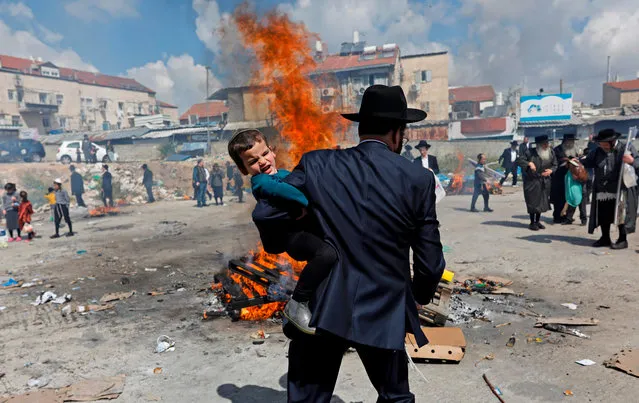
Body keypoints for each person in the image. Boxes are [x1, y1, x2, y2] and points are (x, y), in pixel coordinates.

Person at [284, 85, 445, 402]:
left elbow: (272, 208)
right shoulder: (418, 179)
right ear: (398, 132)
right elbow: (430, 262)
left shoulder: (317, 164)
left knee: (307, 398)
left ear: (361, 128)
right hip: (384, 306)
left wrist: (301, 243)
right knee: (395, 396)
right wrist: (419, 297)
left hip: (324, 304)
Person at [228, 129, 339, 334]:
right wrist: (307, 202)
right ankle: (297, 302)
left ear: (273, 151)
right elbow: (283, 191)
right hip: (293, 238)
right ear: (244, 170)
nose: (261, 161)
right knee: (327, 254)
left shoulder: (284, 175)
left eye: (264, 154)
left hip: (303, 234)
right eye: (252, 161)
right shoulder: (260, 182)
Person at [582, 129, 639, 249]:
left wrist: (632, 161)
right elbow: (588, 161)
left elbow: (637, 162)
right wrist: (578, 161)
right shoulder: (597, 151)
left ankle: (623, 240)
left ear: (612, 142)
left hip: (621, 188)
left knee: (621, 215)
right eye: (601, 144)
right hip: (603, 189)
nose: (603, 147)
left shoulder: (626, 148)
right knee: (603, 214)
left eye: (605, 144)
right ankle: (605, 238)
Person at [517, 135, 557, 231]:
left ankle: (537, 221)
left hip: (544, 181)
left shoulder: (551, 152)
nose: (546, 145)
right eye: (544, 144)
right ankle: (532, 222)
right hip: (532, 181)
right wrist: (529, 163)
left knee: (541, 202)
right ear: (538, 145)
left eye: (547, 143)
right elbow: (519, 160)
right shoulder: (530, 152)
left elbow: (555, 164)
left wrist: (551, 171)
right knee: (532, 202)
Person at [550, 133, 584, 224]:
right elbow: (554, 162)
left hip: (571, 178)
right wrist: (565, 161)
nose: (571, 143)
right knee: (559, 198)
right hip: (559, 178)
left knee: (568, 198)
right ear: (565, 141)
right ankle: (557, 216)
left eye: (572, 141)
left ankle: (566, 216)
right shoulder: (557, 150)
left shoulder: (575, 150)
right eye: (569, 141)